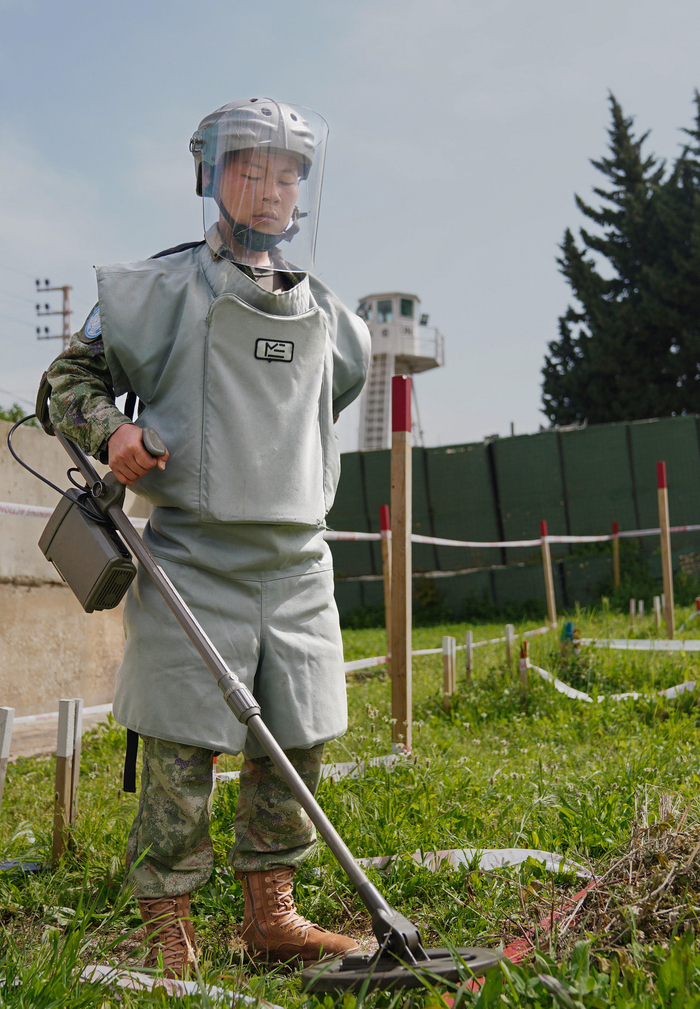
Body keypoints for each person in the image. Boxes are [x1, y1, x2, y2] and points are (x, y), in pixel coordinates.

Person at [45, 98, 371, 977]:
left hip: (296, 563)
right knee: (180, 745)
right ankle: (169, 922)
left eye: (287, 173)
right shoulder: (154, 293)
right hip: (191, 556)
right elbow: (65, 381)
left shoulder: (331, 315)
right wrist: (113, 429)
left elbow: (325, 402)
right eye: (250, 168)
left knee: (297, 737)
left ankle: (273, 913)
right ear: (210, 175)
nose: (270, 188)